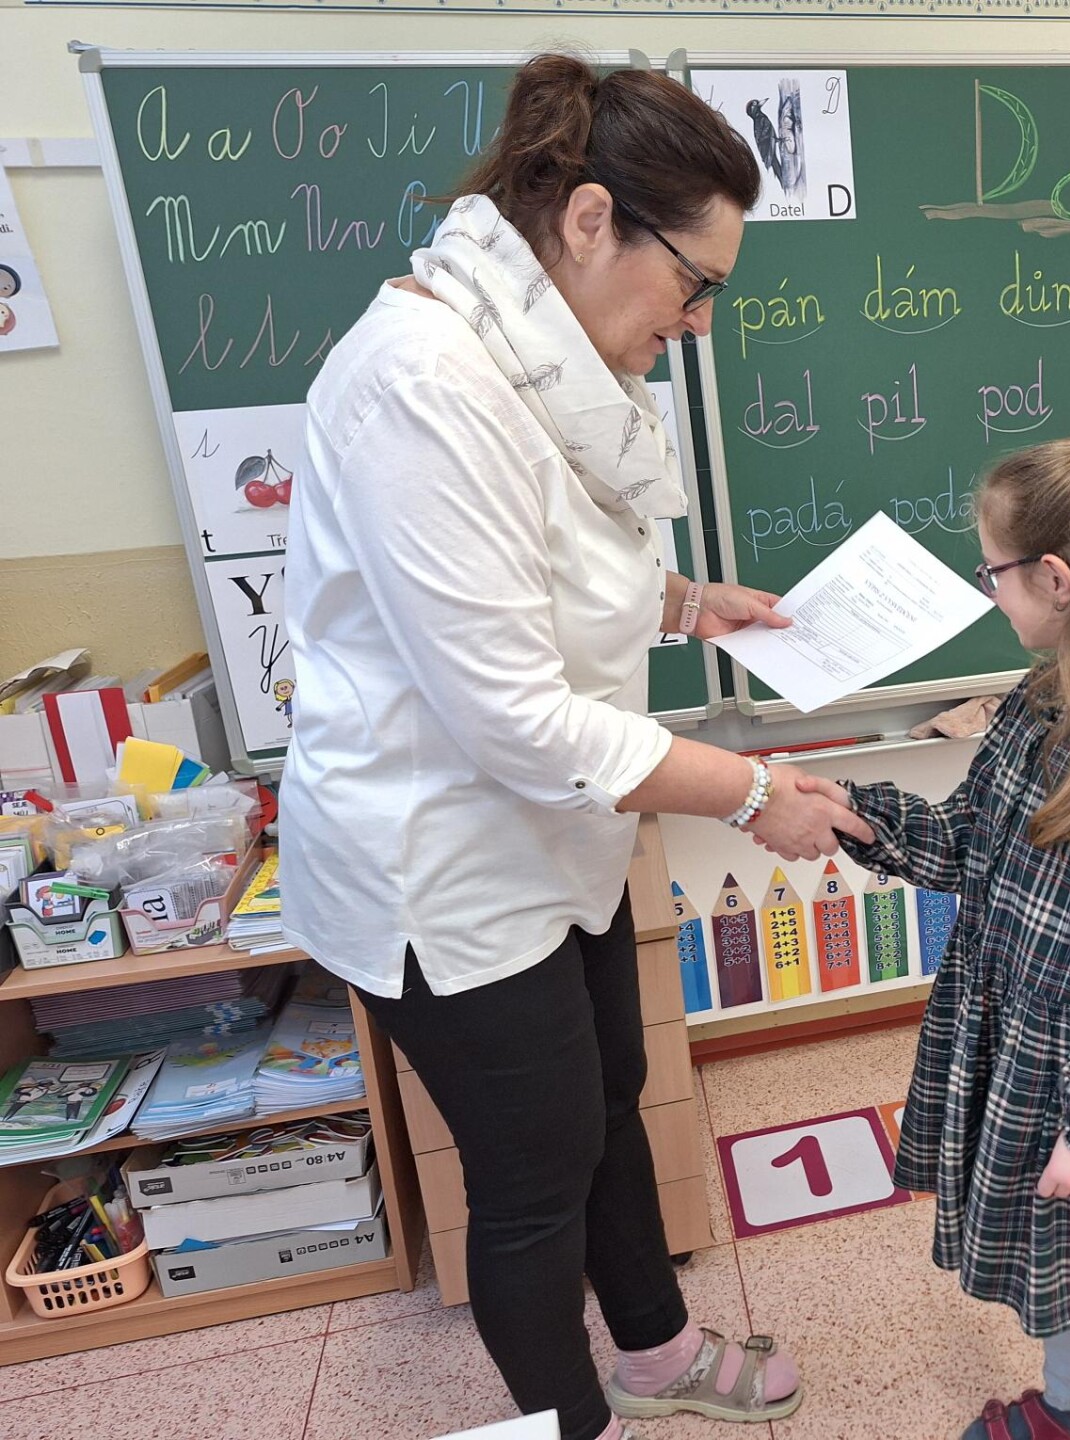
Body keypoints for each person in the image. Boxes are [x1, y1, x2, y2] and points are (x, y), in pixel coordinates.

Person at [278, 54, 872, 1440]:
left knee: (611, 1099)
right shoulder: (425, 383)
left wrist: (685, 604)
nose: (700, 322)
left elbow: (533, 570)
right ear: (593, 219)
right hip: (442, 869)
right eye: (697, 283)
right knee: (532, 1183)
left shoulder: (534, 356)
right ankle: (570, 1423)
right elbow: (510, 712)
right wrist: (754, 792)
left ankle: (657, 1357)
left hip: (555, 835)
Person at [804, 438, 1070, 1440]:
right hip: (1031, 1053)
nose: (986, 589)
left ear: (1055, 579)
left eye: (990, 571)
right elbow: (967, 842)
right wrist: (857, 814)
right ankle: (1065, 1410)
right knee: (1063, 1262)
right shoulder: (1037, 704)